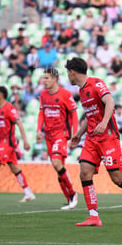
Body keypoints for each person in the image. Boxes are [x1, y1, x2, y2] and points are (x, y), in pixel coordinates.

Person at [65, 57, 122, 227]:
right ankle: (94, 216)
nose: (67, 77)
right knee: (85, 172)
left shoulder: (96, 83)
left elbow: (110, 102)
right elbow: (90, 116)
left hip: (108, 137)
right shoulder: (82, 92)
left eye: (67, 73)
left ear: (72, 72)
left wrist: (104, 122)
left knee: (117, 178)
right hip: (92, 138)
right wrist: (78, 134)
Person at [36, 68, 79, 210]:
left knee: (56, 162)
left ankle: (73, 194)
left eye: (47, 78)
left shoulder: (65, 94)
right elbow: (42, 113)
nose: (44, 81)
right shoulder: (43, 95)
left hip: (61, 134)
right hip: (48, 136)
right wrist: (38, 130)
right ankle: (69, 200)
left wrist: (75, 134)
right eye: (44, 78)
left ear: (55, 79)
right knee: (59, 169)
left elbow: (73, 114)